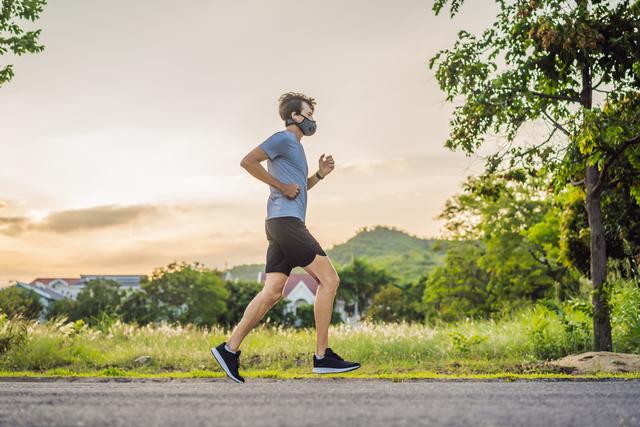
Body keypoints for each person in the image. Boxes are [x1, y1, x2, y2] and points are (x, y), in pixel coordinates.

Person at [210, 92, 361, 383]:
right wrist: (279, 185)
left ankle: (229, 350)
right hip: (287, 223)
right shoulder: (282, 139)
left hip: (279, 223)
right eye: (309, 113)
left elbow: (298, 189)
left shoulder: (295, 148)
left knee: (273, 292)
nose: (314, 120)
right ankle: (322, 356)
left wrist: (319, 176)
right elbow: (248, 161)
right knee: (330, 280)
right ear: (296, 116)